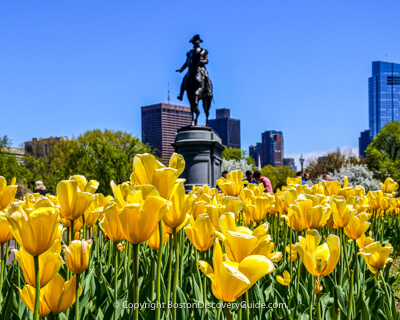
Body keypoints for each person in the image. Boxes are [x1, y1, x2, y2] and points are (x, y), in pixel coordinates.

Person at [176, 34, 213, 101]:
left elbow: (206, 61)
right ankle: (180, 95)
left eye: (198, 41)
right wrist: (181, 69)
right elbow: (187, 62)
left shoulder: (204, 51)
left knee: (206, 77)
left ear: (199, 42)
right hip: (192, 69)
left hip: (201, 68)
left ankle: (210, 91)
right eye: (195, 41)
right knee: (184, 79)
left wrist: (200, 61)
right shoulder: (190, 52)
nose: (197, 42)